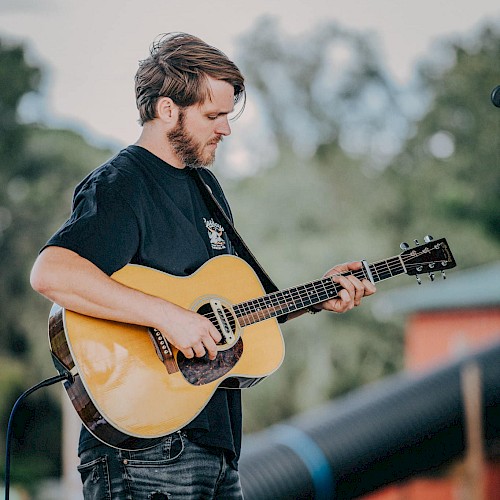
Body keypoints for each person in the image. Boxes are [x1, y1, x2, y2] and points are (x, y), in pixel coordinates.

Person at [30, 32, 376, 500]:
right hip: (145, 455)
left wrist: (316, 297)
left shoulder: (207, 189)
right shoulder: (121, 184)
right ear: (167, 110)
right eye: (213, 116)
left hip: (217, 449)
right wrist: (168, 316)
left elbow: (225, 317)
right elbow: (53, 272)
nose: (226, 130)